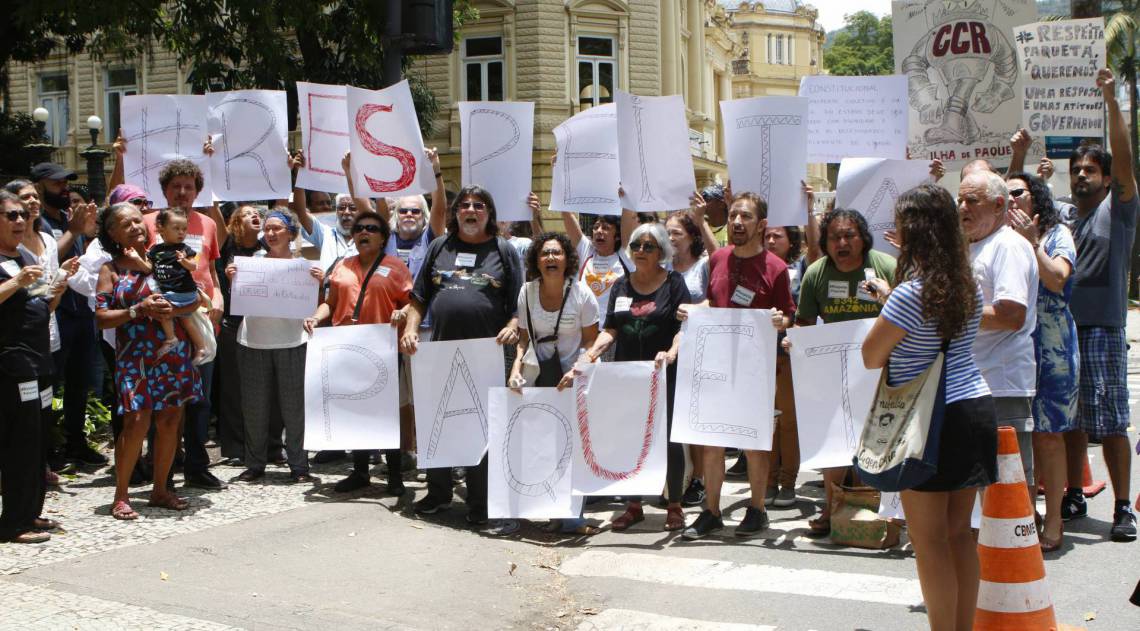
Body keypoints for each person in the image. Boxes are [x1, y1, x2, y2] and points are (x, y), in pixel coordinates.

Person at [861, 183, 996, 631]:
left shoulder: (908, 293)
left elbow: (870, 355)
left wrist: (888, 300)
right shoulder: (968, 284)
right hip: (974, 405)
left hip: (929, 420)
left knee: (929, 542)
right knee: (960, 535)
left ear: (913, 232)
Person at [401, 186, 524, 533]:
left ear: (489, 213)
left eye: (479, 206)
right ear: (456, 213)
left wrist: (514, 326)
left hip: (488, 355)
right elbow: (418, 298)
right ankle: (438, 493)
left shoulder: (504, 251)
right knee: (438, 423)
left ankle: (481, 502)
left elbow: (519, 304)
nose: (471, 210)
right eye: (465, 205)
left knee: (483, 428)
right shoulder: (439, 247)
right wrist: (411, 329)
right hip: (440, 350)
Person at [680, 192, 794, 540]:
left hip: (754, 370)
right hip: (716, 364)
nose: (737, 223)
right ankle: (711, 512)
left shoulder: (776, 269)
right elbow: (714, 302)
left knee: (754, 442)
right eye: (732, 216)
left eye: (745, 217)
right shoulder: (718, 259)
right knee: (712, 441)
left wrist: (780, 321)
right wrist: (693, 309)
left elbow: (788, 314)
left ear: (761, 225)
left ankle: (757, 509)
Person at [1059, 69, 1138, 541]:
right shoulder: (1063, 215)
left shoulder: (1119, 210)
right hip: (1062, 333)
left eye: (1090, 169)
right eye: (1076, 170)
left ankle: (1123, 507)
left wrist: (1111, 102)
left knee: (1110, 423)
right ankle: (1072, 491)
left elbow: (1127, 163)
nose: (1081, 175)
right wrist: (1023, 154)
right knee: (1068, 420)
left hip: (1103, 330)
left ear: (1107, 179)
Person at [790, 208, 898, 535]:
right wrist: (794, 343)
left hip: (879, 372)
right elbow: (804, 323)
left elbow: (906, 317)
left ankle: (879, 507)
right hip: (832, 373)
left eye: (849, 235)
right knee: (834, 441)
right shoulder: (816, 273)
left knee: (879, 441)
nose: (841, 243)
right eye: (834, 237)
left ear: (863, 239)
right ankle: (832, 508)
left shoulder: (886, 267)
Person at [95, 202, 204, 520]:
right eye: (125, 224)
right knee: (136, 422)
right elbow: (101, 318)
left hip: (173, 352)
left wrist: (176, 310)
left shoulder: (166, 255)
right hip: (135, 356)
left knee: (171, 421)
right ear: (113, 233)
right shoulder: (111, 268)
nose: (135, 226)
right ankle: (121, 494)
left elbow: (194, 297)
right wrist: (136, 310)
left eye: (137, 221)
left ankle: (159, 490)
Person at [580, 222, 690, 532]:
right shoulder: (621, 285)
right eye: (637, 246)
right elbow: (611, 327)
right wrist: (592, 353)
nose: (641, 251)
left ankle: (675, 505)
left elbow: (684, 326)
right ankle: (633, 504)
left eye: (648, 246)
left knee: (667, 439)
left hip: (662, 373)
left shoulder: (674, 283)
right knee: (629, 436)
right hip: (627, 374)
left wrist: (671, 352)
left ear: (661, 253)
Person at [313, 211, 414, 494]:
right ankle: (360, 472)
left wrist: (401, 312)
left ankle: (394, 475)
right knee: (354, 410)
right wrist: (314, 316)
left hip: (382, 349)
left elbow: (413, 303)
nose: (363, 233)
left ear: (383, 237)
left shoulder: (395, 267)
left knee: (386, 413)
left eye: (371, 228)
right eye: (359, 229)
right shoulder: (341, 267)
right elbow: (330, 304)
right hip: (347, 348)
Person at [141, 158, 226, 491]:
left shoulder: (207, 224)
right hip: (163, 323)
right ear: (164, 191)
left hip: (201, 319)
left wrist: (217, 298)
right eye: (175, 186)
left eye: (188, 186)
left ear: (197, 192)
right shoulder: (149, 222)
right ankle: (162, 467)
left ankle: (196, 465)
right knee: (163, 396)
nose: (181, 192)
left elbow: (212, 271)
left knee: (200, 399)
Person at [508, 231, 600, 535]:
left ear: (567, 259)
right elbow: (523, 339)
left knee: (572, 447)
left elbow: (592, 341)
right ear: (536, 260)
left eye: (556, 253)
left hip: (574, 379)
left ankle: (574, 516)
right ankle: (550, 510)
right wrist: (515, 369)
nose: (550, 258)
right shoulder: (526, 293)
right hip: (539, 378)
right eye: (545, 253)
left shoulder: (582, 294)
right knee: (544, 446)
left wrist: (577, 370)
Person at [1005, 170, 1077, 552]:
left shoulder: (1056, 234)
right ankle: (1023, 516)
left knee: (1049, 435)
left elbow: (1057, 279)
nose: (1012, 199)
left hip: (1052, 347)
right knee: (1019, 437)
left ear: (1037, 197)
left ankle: (1054, 520)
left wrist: (1033, 245)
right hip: (1013, 348)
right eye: (1006, 194)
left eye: (1018, 192)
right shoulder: (998, 239)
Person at [958, 171, 1039, 503]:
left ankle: (1019, 550)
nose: (962, 207)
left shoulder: (1007, 246)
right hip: (973, 381)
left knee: (1009, 480)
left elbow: (1010, 315)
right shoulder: (975, 246)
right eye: (959, 200)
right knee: (980, 481)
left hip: (1001, 382)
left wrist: (952, 313)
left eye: (971, 201)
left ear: (999, 205)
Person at [0, 191, 74, 543]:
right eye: (10, 215)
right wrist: (16, 282)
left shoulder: (24, 256)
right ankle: (13, 522)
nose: (19, 221)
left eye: (21, 215)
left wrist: (59, 284)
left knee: (39, 438)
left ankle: (31, 512)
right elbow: (15, 291)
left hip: (39, 358)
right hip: (12, 364)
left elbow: (45, 305)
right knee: (20, 441)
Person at [228, 211, 321, 484]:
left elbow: (319, 301)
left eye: (277, 228)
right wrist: (233, 278)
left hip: (293, 341)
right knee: (254, 407)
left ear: (290, 232)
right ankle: (255, 464)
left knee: (294, 408)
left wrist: (319, 281)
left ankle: (299, 465)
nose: (270, 234)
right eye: (267, 229)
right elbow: (240, 298)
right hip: (253, 341)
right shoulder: (250, 263)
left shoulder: (306, 263)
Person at [30, 162, 103, 467]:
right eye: (57, 183)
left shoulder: (68, 217)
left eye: (66, 183)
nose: (64, 188)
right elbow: (46, 259)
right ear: (39, 186)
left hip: (80, 310)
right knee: (49, 382)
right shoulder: (38, 222)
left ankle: (76, 442)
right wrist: (74, 232)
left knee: (79, 382)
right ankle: (45, 449)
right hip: (55, 312)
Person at [215, 205, 284, 466]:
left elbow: (284, 216)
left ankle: (273, 447)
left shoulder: (271, 250)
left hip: (266, 325)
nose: (254, 215)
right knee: (234, 389)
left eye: (257, 213)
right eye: (246, 213)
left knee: (271, 388)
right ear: (234, 223)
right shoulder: (225, 248)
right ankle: (237, 448)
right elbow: (215, 219)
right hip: (234, 325)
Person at [665, 210, 710, 507]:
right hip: (667, 348)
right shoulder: (661, 264)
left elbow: (717, 296)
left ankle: (699, 480)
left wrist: (696, 309)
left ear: (692, 236)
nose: (669, 238)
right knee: (670, 418)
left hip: (698, 346)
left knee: (695, 418)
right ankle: (672, 479)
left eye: (676, 233)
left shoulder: (704, 266)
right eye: (666, 232)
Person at [142, 210, 210, 362]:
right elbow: (147, 268)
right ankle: (200, 347)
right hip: (171, 292)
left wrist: (184, 261)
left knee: (165, 310)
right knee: (185, 320)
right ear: (161, 228)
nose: (181, 232)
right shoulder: (155, 250)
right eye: (176, 228)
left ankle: (172, 339)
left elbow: (193, 266)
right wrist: (136, 259)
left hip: (183, 292)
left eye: (184, 229)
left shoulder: (184, 249)